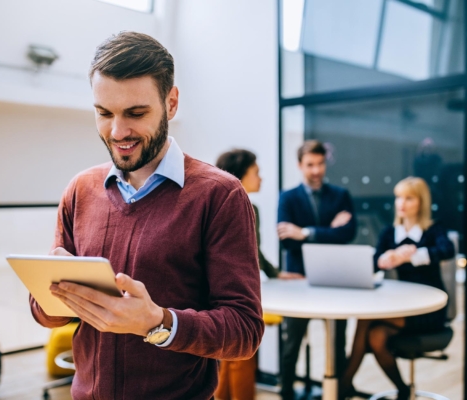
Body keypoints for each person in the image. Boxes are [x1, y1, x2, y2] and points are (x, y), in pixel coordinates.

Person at [29, 32, 264, 400]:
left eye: (136, 113)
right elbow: (46, 314)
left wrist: (157, 323)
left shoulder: (220, 194)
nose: (118, 131)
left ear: (171, 103)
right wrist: (53, 295)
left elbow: (244, 331)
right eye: (104, 113)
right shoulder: (80, 190)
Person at [339, 177, 454, 400]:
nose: (401, 203)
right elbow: (373, 263)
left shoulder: (433, 229)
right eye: (399, 197)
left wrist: (412, 256)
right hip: (404, 306)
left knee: (365, 320)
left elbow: (446, 250)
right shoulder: (390, 233)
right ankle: (402, 390)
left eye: (409, 198)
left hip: (429, 310)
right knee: (376, 336)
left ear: (421, 202)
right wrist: (385, 260)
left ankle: (343, 385)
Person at [215, 149, 303, 400]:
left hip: (222, 291)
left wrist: (276, 273)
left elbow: (254, 252)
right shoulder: (239, 206)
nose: (261, 178)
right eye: (256, 172)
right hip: (230, 292)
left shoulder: (241, 205)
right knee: (240, 354)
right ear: (240, 176)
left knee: (230, 357)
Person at [277, 140, 357, 400]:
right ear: (300, 165)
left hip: (335, 280)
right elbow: (287, 240)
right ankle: (286, 393)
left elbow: (348, 233)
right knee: (291, 346)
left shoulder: (341, 195)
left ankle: (338, 393)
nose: (316, 170)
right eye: (310, 164)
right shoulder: (287, 197)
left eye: (320, 164)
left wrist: (306, 232)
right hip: (298, 281)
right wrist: (330, 231)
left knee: (337, 343)